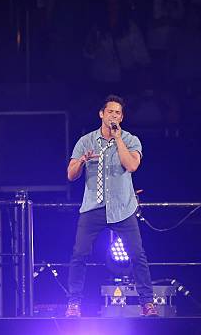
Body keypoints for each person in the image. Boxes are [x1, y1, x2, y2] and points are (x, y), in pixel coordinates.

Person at [65, 95, 158, 317]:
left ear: (122, 117)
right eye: (110, 112)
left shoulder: (130, 139)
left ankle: (147, 303)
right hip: (93, 207)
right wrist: (81, 162)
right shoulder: (85, 141)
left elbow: (132, 165)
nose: (114, 116)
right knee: (79, 254)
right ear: (101, 114)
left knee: (137, 254)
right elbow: (70, 175)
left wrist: (118, 140)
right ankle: (73, 304)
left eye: (118, 113)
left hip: (123, 208)